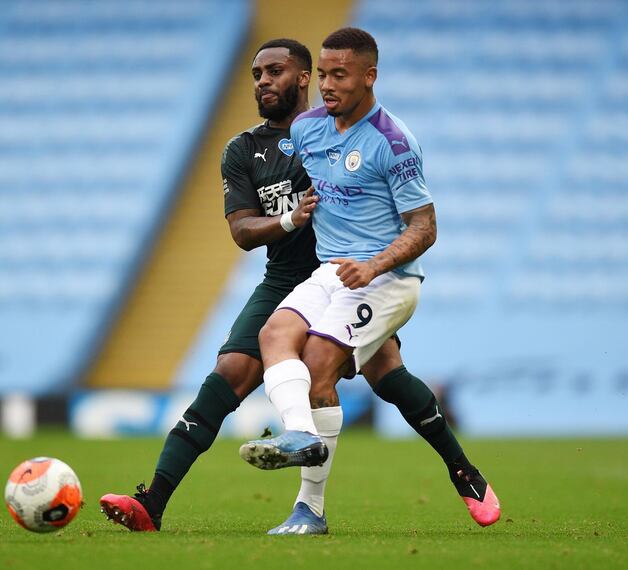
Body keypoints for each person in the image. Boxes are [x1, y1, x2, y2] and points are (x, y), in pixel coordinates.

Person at [98, 38, 405, 535]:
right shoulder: (243, 150)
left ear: (305, 78)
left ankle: (466, 477)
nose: (262, 81)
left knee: (390, 376)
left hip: (347, 279)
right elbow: (241, 232)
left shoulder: (341, 134)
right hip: (284, 281)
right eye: (256, 74)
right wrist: (290, 219)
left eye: (274, 71)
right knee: (228, 373)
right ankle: (151, 504)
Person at [239, 27, 501, 527]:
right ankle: (301, 435)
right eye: (324, 75)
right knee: (278, 335)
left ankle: (308, 510)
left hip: (389, 279)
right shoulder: (307, 129)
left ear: (369, 76)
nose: (328, 85)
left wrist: (375, 264)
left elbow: (424, 227)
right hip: (332, 272)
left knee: (319, 363)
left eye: (341, 75)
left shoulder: (393, 142)